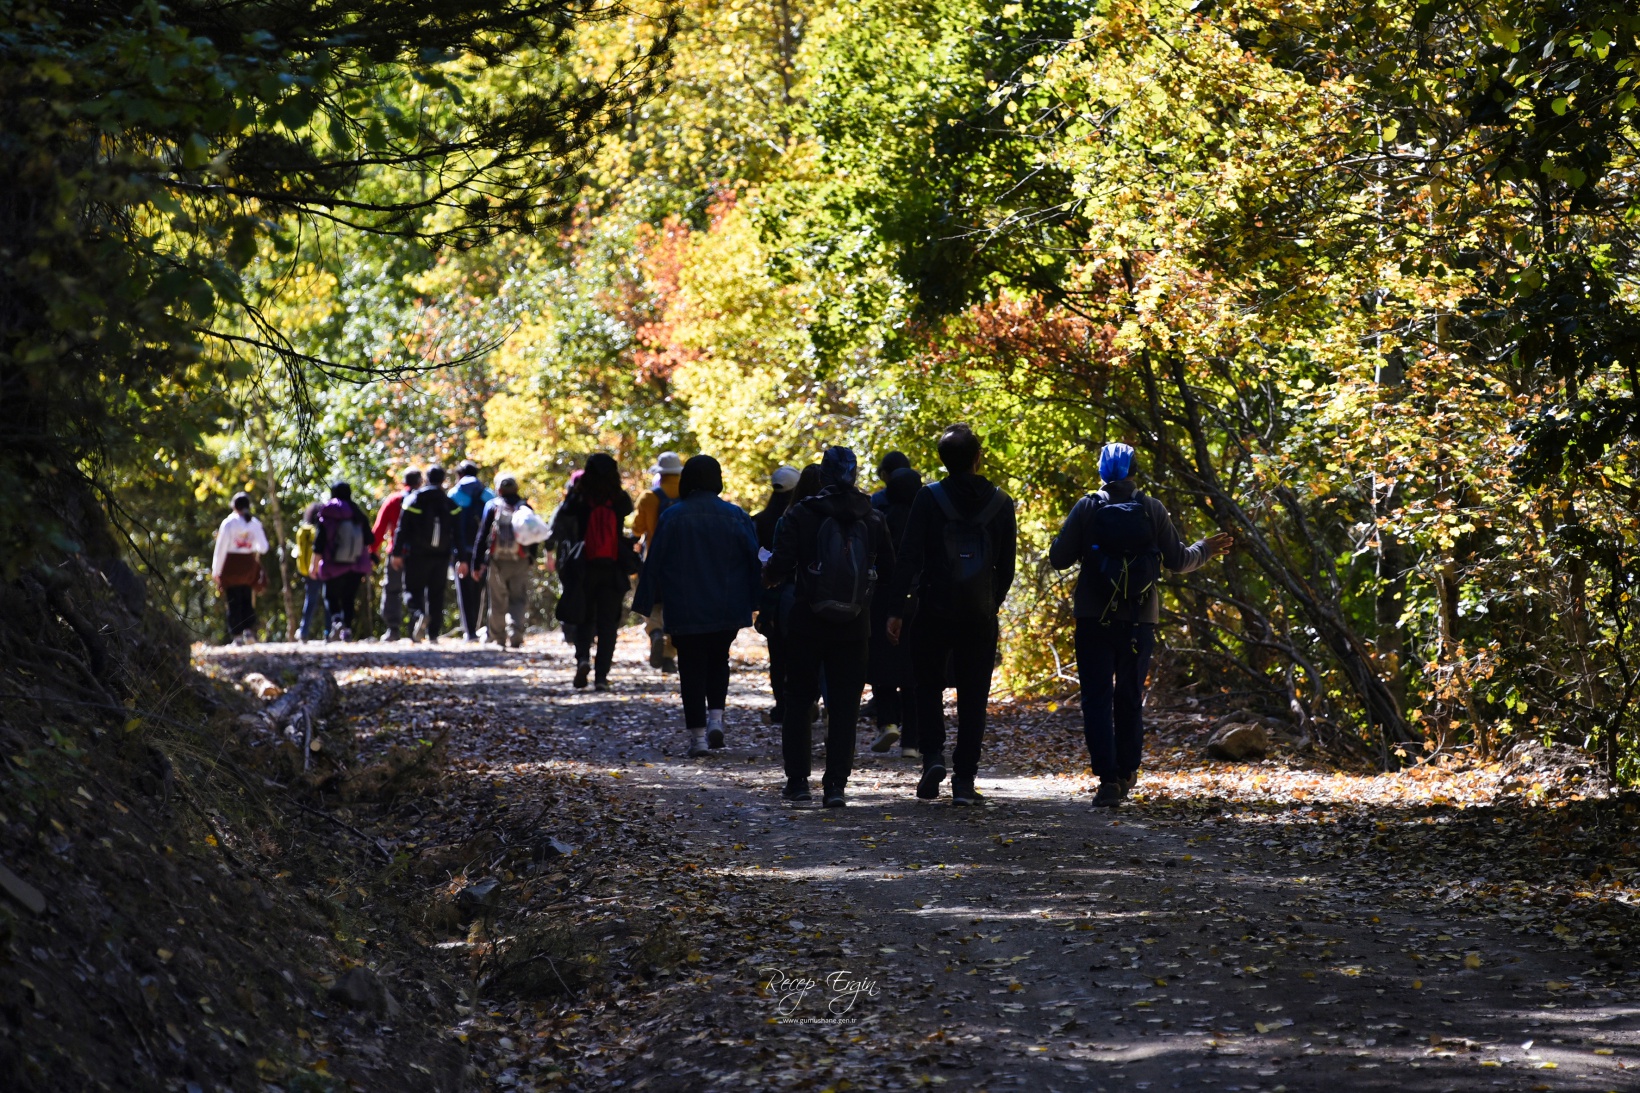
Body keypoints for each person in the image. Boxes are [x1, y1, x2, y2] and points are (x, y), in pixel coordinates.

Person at [1050, 442, 1233, 808]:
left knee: (1097, 699)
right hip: (1138, 621)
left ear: (1101, 472)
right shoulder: (1151, 508)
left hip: (1093, 618)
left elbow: (1059, 558)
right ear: (1134, 471)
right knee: (1129, 697)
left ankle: (1106, 781)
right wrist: (1206, 548)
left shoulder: (1087, 506)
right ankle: (1127, 771)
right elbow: (1178, 561)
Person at [887, 424, 1017, 807]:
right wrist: (992, 602)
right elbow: (1006, 565)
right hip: (978, 614)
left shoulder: (929, 498)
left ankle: (931, 758)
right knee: (974, 696)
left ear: (943, 460)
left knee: (927, 685)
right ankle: (964, 780)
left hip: (932, 608)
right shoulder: (1001, 502)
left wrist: (896, 608)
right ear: (979, 458)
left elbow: (908, 555)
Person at [764, 447, 895, 807]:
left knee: (799, 701)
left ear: (822, 477)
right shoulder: (873, 517)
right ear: (853, 476)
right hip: (855, 626)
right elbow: (889, 570)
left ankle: (798, 783)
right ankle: (835, 785)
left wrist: (768, 575)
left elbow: (780, 566)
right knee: (844, 707)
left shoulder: (802, 514)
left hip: (807, 621)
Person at [633, 455, 762, 757]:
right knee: (719, 660)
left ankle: (698, 738)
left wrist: (646, 601)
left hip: (684, 606)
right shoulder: (736, 515)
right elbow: (753, 560)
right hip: (726, 606)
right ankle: (716, 719)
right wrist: (757, 602)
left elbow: (656, 560)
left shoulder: (673, 516)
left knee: (690, 668)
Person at [550, 453, 634, 690]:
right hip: (613, 565)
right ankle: (601, 677)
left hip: (583, 566)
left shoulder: (579, 496)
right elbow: (628, 510)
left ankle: (583, 659)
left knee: (583, 617)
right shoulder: (619, 497)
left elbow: (565, 516)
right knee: (609, 623)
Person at [869, 465, 922, 755]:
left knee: (883, 663)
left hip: (884, 599)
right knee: (914, 672)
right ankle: (912, 742)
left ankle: (888, 722)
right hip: (919, 602)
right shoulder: (927, 522)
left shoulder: (882, 520)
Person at [751, 466, 800, 725]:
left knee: (777, 653)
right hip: (800, 594)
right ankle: (804, 702)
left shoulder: (760, 520)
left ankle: (781, 705)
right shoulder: (803, 518)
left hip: (771, 597)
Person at [472, 473, 541, 649]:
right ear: (516, 488)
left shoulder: (492, 506)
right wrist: (531, 557)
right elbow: (534, 535)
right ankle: (516, 634)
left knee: (497, 600)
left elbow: (482, 536)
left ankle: (499, 638)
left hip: (497, 561)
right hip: (520, 559)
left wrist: (477, 563)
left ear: (499, 489)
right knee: (518, 598)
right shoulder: (525, 507)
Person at [393, 465, 459, 642]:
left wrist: (396, 552)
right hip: (442, 556)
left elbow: (402, 528)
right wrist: (460, 556)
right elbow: (459, 531)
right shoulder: (448, 502)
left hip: (417, 555)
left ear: (427, 479)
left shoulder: (415, 499)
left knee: (413, 590)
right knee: (436, 594)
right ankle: (433, 634)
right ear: (443, 480)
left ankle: (419, 615)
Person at [632, 451, 684, 673]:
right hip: (683, 562)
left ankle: (654, 632)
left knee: (653, 606)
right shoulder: (689, 496)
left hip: (654, 560)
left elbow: (637, 529)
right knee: (677, 608)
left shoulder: (648, 497)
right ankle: (670, 657)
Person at [315, 481, 374, 642]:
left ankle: (336, 620)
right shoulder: (358, 513)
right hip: (356, 565)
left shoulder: (328, 513)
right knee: (349, 598)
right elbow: (370, 538)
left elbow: (319, 544)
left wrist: (314, 566)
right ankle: (347, 629)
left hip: (332, 564)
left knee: (330, 596)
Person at [211, 492, 269, 644]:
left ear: (234, 506)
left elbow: (221, 549)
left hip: (231, 566)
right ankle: (249, 632)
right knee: (246, 599)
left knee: (233, 600)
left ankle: (237, 636)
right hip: (248, 566)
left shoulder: (229, 523)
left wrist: (216, 570)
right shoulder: (254, 523)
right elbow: (263, 547)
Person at [372, 468, 422, 641]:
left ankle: (393, 629)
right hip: (419, 554)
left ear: (404, 482)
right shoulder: (424, 499)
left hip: (395, 553)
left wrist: (372, 550)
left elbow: (379, 528)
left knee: (392, 590)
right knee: (416, 590)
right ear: (420, 482)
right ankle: (417, 627)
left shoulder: (393, 500)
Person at [451, 461, 496, 643]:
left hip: (461, 549)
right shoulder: (488, 494)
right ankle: (483, 628)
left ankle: (469, 632)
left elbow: (451, 527)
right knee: (480, 588)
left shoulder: (454, 494)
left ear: (459, 474)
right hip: (483, 550)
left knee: (464, 590)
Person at [295, 502, 326, 642]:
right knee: (328, 600)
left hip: (308, 570)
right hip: (324, 568)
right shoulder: (323, 528)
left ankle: (304, 631)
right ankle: (329, 632)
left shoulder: (305, 530)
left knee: (310, 600)